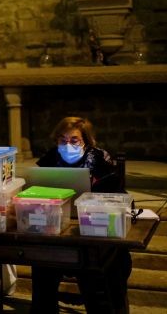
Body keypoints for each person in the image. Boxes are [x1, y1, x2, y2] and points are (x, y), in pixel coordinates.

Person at [31, 116, 130, 314]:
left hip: (93, 226)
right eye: (62, 140)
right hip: (56, 225)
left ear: (86, 140)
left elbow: (116, 195)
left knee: (97, 264)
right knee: (40, 260)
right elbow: (37, 190)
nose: (67, 145)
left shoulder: (101, 158)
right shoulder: (51, 157)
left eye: (74, 140)